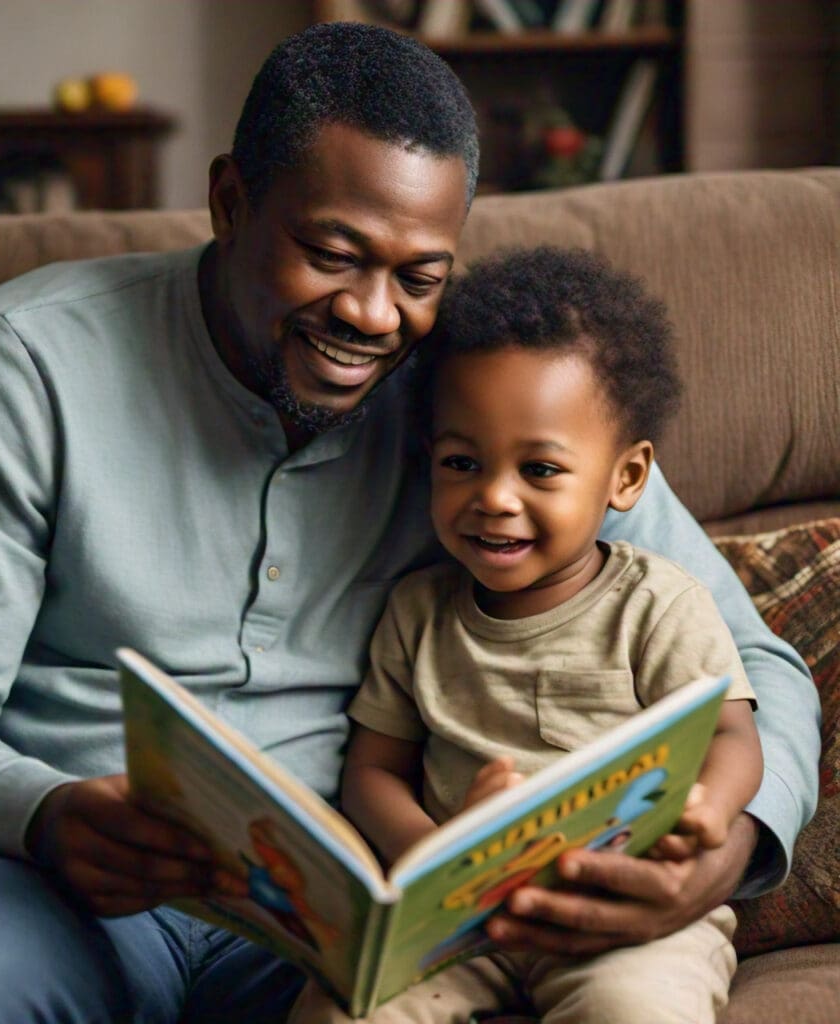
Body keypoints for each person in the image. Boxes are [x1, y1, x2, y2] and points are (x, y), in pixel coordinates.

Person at [0, 22, 817, 1024]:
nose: (375, 316)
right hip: (40, 881)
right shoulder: (20, 364)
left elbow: (754, 670)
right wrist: (39, 813)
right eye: (331, 254)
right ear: (229, 201)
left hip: (333, 919)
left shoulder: (477, 402)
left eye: (419, 276)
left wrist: (727, 850)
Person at [289, 246, 764, 1023]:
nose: (495, 499)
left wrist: (709, 812)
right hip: (456, 915)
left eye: (540, 470)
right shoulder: (418, 613)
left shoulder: (658, 605)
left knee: (635, 1011)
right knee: (344, 1007)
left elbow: (734, 736)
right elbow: (374, 771)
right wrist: (434, 856)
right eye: (462, 462)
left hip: (620, 916)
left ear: (627, 478)